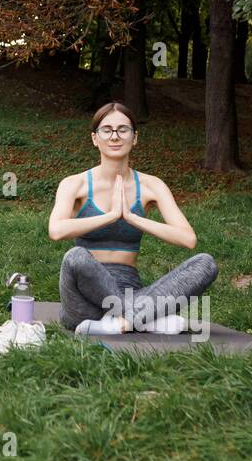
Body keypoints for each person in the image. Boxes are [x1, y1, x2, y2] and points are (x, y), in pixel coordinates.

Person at [47, 101, 217, 335]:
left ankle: (122, 323)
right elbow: (56, 231)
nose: (115, 136)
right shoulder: (74, 184)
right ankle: (144, 319)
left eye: (123, 129)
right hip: (84, 304)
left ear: (134, 138)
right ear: (95, 138)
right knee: (75, 257)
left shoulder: (152, 185)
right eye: (106, 130)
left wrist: (133, 218)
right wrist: (109, 217)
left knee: (205, 263)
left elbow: (188, 239)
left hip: (132, 292)